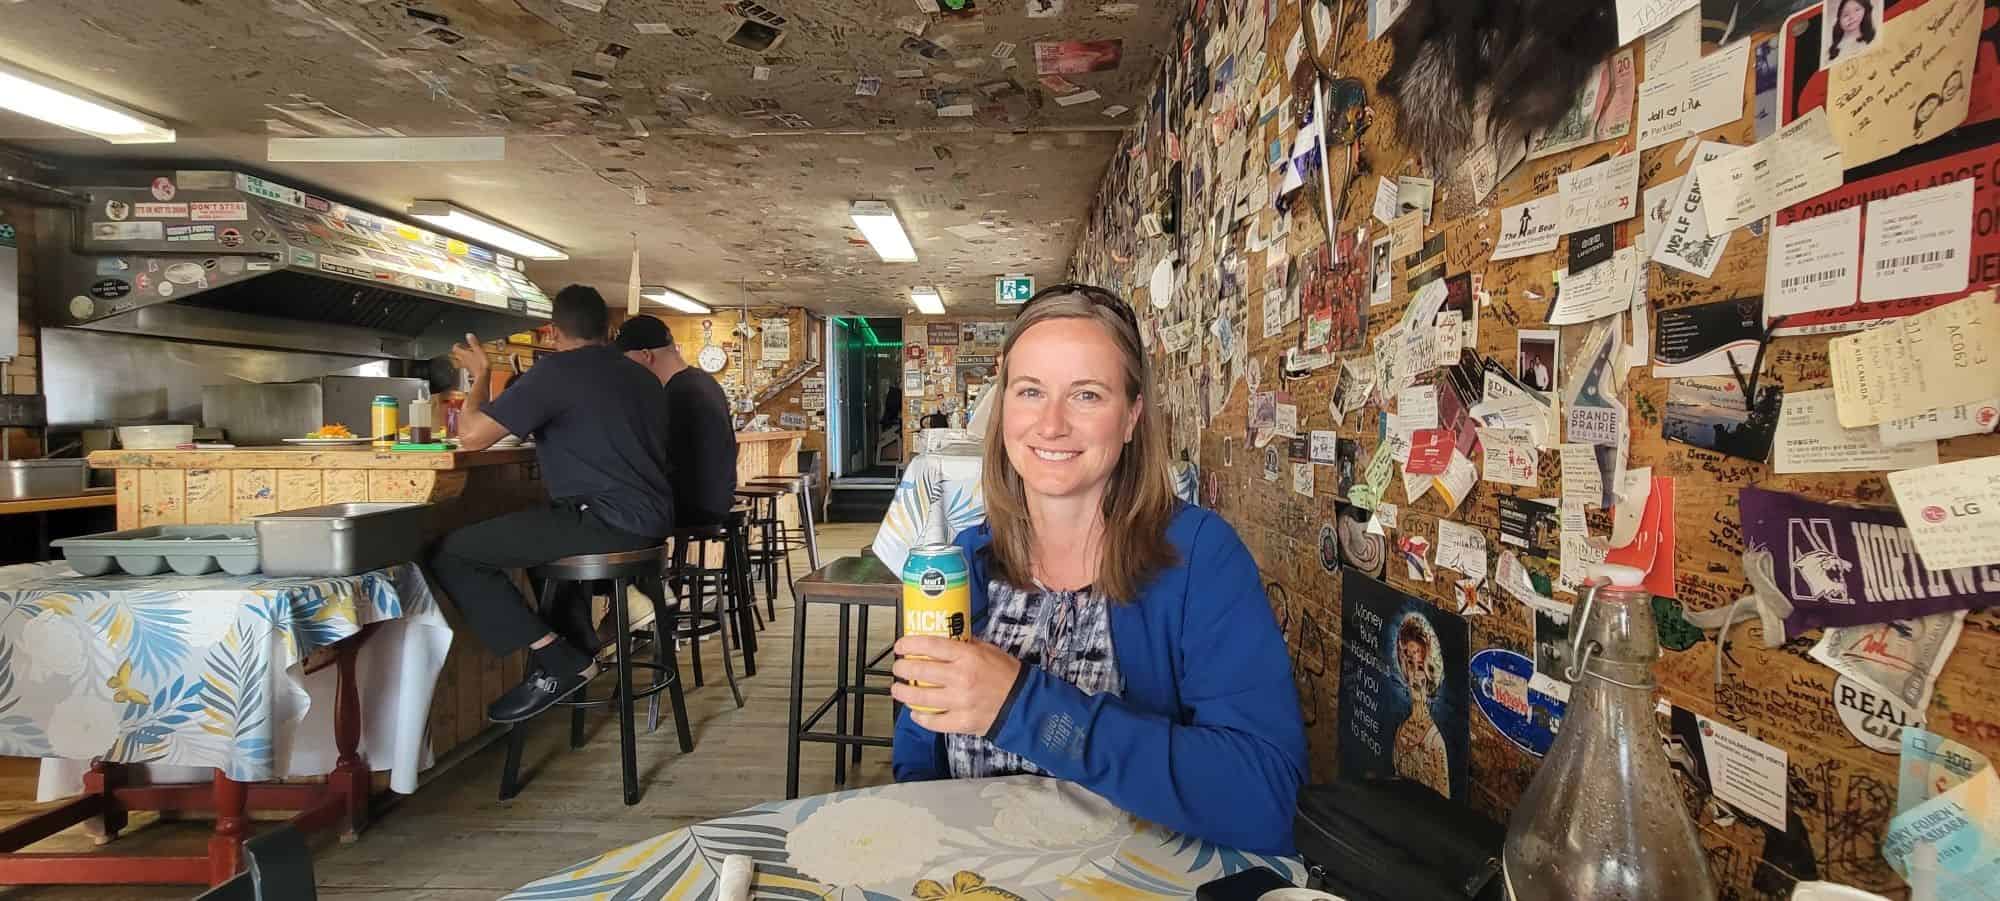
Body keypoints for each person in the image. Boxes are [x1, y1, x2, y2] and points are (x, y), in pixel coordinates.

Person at [890, 285, 1307, 856]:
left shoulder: (1202, 559)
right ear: (1003, 408)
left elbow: (1267, 797)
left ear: (1132, 416)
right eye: (1030, 391)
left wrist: (1023, 706)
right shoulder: (961, 565)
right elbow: (917, 762)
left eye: (1086, 395)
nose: (1051, 424)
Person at [430, 285, 678, 724]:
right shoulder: (642, 376)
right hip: (653, 521)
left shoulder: (555, 372)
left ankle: (560, 661)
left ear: (553, 331)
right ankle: (578, 644)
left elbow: (471, 436)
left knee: (454, 555)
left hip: (607, 520)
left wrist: (481, 374)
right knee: (537, 540)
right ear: (608, 330)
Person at [615, 315, 739, 527]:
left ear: (646, 355)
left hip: (692, 507)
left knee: (609, 512)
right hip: (716, 501)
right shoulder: (704, 382)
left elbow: (657, 458)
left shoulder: (677, 393)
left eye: (627, 360)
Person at [1392, 614, 1451, 799]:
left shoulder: (1435, 743)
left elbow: (1444, 805)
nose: (1416, 676)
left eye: (1421, 666)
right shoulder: (1401, 731)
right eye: (1411, 664)